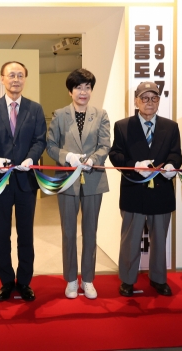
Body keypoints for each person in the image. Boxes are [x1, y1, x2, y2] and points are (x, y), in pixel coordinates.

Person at [0, 61, 47, 302]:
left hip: (26, 181)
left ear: (25, 79)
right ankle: (7, 281)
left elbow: (40, 140)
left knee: (26, 234)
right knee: (2, 234)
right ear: (2, 78)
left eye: (20, 75)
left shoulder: (35, 109)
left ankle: (25, 281)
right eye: (11, 75)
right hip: (0, 181)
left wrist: (31, 157)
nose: (15, 79)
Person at [109, 81, 182, 297]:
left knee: (160, 238)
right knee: (131, 239)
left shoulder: (170, 126)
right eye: (144, 98)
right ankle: (128, 280)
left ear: (159, 101)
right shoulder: (123, 125)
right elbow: (115, 155)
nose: (150, 102)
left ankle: (158, 278)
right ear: (136, 101)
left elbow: (176, 153)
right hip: (134, 190)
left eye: (154, 98)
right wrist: (135, 167)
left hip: (161, 190)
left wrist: (171, 165)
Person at [46, 69, 110, 299]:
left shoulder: (101, 114)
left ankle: (89, 280)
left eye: (87, 87)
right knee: (68, 232)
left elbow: (105, 144)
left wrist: (94, 159)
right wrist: (67, 157)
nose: (83, 92)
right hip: (67, 180)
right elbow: (51, 144)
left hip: (94, 179)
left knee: (91, 231)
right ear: (70, 91)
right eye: (78, 87)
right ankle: (71, 279)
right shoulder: (60, 114)